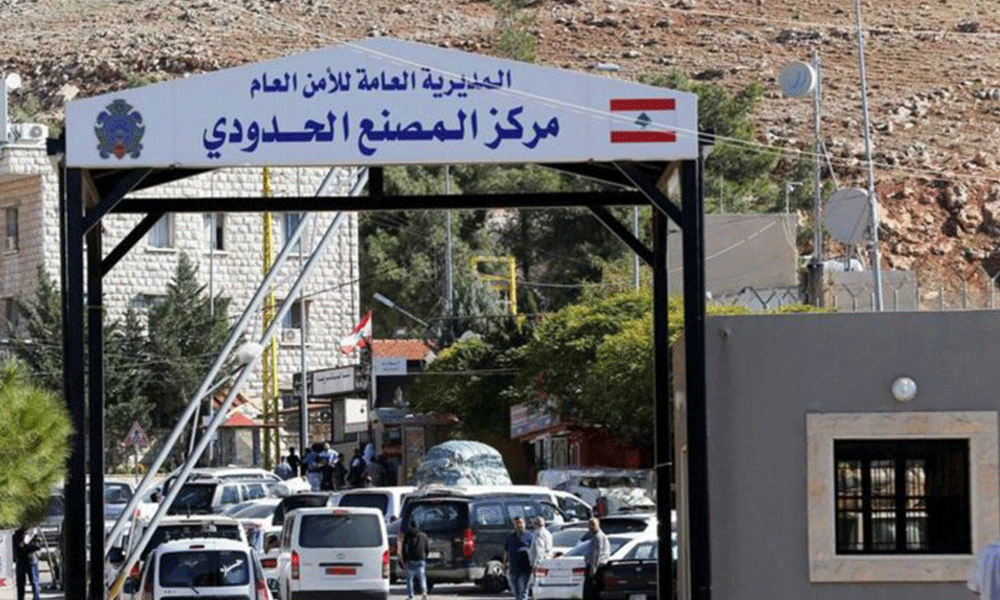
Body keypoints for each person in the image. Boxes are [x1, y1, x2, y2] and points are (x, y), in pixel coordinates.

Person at [503, 517, 533, 600]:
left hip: (525, 568)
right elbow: (506, 551)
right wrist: (505, 563)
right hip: (513, 568)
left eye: (520, 523)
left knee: (523, 592)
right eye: (516, 523)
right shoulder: (511, 536)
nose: (519, 525)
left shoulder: (530, 536)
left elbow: (534, 551)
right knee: (516, 593)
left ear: (525, 523)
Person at [582, 518, 610, 600]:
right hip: (593, 566)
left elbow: (596, 554)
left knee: (590, 593)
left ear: (598, 525)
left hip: (596, 568)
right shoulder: (594, 536)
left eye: (593, 525)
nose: (591, 527)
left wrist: (593, 570)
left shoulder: (599, 537)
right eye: (589, 525)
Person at [402, 520, 430, 600]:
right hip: (421, 559)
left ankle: (411, 596)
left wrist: (404, 559)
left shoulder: (408, 535)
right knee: (422, 577)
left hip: (411, 559)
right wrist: (425, 556)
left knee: (409, 579)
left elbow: (404, 548)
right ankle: (424, 592)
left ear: (410, 526)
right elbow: (427, 548)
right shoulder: (424, 535)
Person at [13, 527, 41, 600]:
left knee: (34, 581)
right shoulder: (17, 533)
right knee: (20, 583)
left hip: (31, 560)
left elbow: (38, 545)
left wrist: (26, 546)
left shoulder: (33, 532)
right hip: (20, 560)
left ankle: (36, 598)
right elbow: (14, 545)